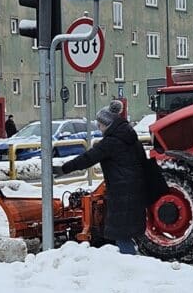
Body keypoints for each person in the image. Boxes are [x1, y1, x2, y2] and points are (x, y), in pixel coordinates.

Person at [55, 100, 146, 255]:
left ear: (107, 124)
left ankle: (130, 267)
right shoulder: (131, 138)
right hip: (135, 191)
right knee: (128, 234)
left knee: (121, 235)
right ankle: (132, 262)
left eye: (100, 124)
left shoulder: (110, 142)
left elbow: (87, 158)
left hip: (121, 193)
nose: (99, 128)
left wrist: (64, 168)